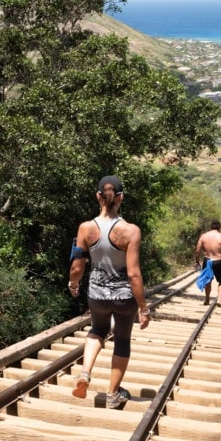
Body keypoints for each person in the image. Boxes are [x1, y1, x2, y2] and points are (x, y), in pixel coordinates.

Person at [68, 175, 151, 409]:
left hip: (96, 295)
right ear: (121, 197)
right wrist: (143, 308)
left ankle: (85, 373)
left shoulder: (85, 228)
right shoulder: (131, 231)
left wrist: (74, 285)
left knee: (97, 330)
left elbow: (77, 266)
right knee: (122, 341)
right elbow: (134, 274)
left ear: (97, 196)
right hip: (125, 297)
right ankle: (113, 393)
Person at [194, 220, 221, 307]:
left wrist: (197, 261)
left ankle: (207, 299)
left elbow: (197, 251)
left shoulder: (203, 236)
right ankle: (219, 300)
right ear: (219, 227)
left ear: (210, 227)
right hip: (218, 261)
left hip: (207, 261)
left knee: (208, 280)